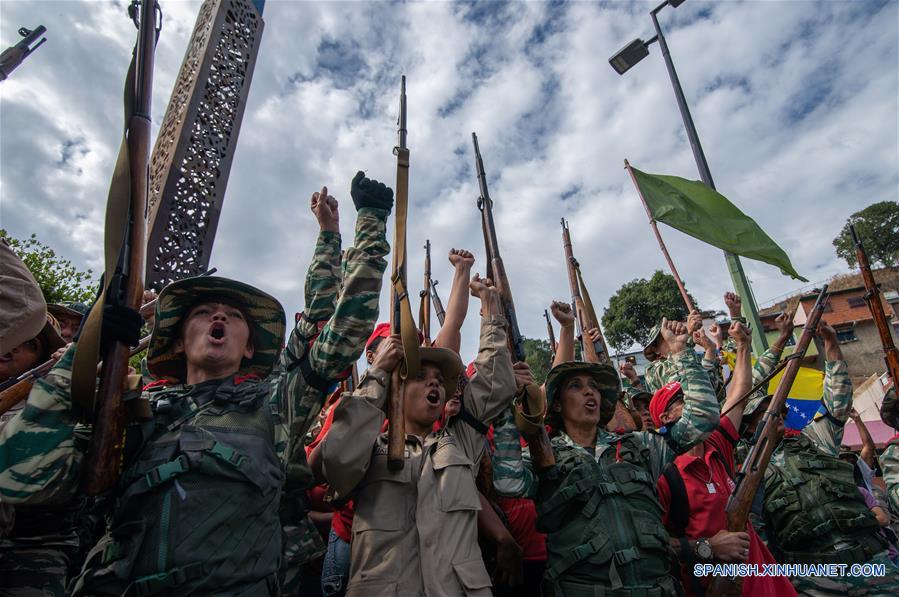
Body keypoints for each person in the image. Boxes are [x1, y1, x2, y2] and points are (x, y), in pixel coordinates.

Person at [493, 317, 719, 596]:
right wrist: (505, 405)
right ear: (558, 404)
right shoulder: (544, 458)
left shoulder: (638, 446)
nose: (590, 391)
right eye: (575, 386)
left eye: (594, 386)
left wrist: (682, 352)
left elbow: (702, 419)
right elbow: (507, 483)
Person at [321, 275, 517, 596]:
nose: (435, 384)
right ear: (397, 388)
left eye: (440, 379)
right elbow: (337, 457)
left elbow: (496, 383)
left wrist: (491, 312)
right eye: (420, 377)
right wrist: (379, 374)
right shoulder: (370, 448)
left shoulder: (460, 441)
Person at [656, 321, 795, 596]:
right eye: (684, 398)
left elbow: (739, 395)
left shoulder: (716, 443)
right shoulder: (663, 473)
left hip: (765, 582)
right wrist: (708, 547)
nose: (697, 398)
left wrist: (743, 346)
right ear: (666, 417)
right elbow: (655, 544)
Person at [763, 323, 899, 595]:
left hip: (873, 564)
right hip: (816, 581)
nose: (774, 416)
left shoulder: (813, 439)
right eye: (763, 414)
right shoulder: (749, 467)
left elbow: (838, 401)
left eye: (777, 411)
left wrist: (831, 344)